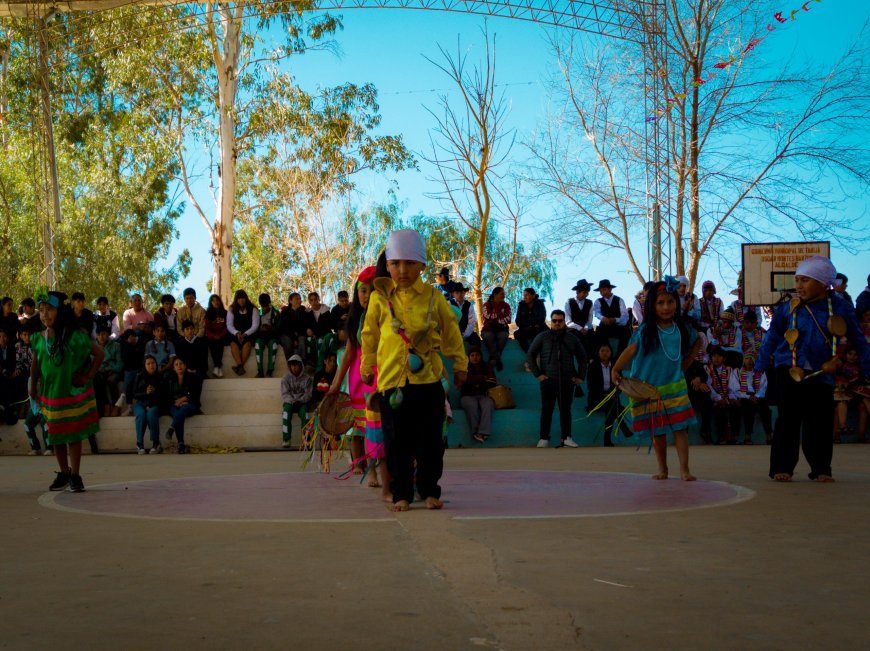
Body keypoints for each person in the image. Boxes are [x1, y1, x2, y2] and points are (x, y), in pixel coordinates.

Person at [360, 230, 468, 511]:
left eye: (409, 263)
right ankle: (401, 494)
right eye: (395, 264)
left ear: (421, 265)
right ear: (389, 265)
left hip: (428, 380)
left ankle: (430, 490)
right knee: (396, 443)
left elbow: (451, 332)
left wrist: (460, 365)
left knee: (431, 441)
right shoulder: (378, 298)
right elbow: (369, 334)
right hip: (391, 382)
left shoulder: (433, 297)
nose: (402, 270)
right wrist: (366, 365)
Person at [756, 256, 870, 482]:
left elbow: (857, 338)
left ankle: (821, 468)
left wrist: (867, 368)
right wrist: (760, 363)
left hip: (823, 371)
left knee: (819, 421)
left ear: (823, 283)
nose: (799, 286)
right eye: (797, 280)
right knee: (787, 419)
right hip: (788, 368)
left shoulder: (839, 306)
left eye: (806, 280)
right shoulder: (788, 307)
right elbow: (773, 336)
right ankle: (783, 467)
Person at [611, 277, 701, 481]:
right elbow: (631, 350)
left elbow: (698, 342)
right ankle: (663, 469)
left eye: (670, 302)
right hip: (649, 388)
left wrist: (684, 366)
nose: (666, 307)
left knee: (680, 429)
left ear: (676, 304)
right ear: (652, 306)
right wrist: (616, 368)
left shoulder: (682, 328)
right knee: (657, 431)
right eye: (660, 303)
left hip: (675, 386)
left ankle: (685, 470)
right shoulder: (645, 330)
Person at [30, 290, 103, 493]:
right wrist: (32, 384)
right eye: (41, 310)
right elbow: (35, 365)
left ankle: (76, 475)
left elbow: (99, 353)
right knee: (56, 436)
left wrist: (88, 376)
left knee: (73, 435)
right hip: (51, 395)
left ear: (60, 311)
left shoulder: (74, 336)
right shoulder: (38, 338)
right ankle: (64, 472)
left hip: (71, 394)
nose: (45, 315)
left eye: (50, 310)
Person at [329, 265, 389, 491]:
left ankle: (384, 469)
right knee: (364, 428)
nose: (367, 295)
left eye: (372, 290)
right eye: (363, 290)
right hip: (360, 379)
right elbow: (347, 357)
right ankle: (370, 469)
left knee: (381, 427)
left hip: (382, 375)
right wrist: (336, 385)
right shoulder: (354, 321)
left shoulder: (386, 314)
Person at [526, 309, 587, 448]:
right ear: (551, 321)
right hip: (548, 380)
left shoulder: (572, 338)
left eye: (560, 321)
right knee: (546, 409)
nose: (557, 323)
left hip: (567, 380)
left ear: (564, 322)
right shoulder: (542, 336)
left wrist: (580, 377)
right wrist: (538, 375)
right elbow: (530, 355)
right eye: (555, 321)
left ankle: (566, 437)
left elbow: (583, 358)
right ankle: (543, 438)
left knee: (566, 410)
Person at [586, 342, 633, 447]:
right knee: (613, 407)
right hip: (597, 399)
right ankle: (622, 427)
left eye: (607, 351)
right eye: (602, 351)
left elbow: (620, 383)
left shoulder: (615, 367)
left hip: (613, 397)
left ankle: (607, 439)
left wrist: (614, 393)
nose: (605, 353)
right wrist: (605, 395)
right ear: (598, 353)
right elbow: (591, 387)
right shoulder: (593, 366)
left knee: (611, 408)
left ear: (611, 352)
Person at [729, 354, 772, 445]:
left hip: (757, 396)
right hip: (744, 396)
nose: (750, 361)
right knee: (748, 408)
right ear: (743, 360)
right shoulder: (737, 372)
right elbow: (735, 388)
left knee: (766, 410)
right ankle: (748, 435)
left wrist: (757, 396)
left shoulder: (760, 371)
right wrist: (748, 397)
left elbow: (763, 387)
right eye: (747, 358)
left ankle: (769, 435)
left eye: (752, 359)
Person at [164, 357, 202, 454]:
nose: (179, 366)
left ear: (185, 366)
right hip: (174, 405)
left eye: (181, 363)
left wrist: (185, 399)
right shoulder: (170, 379)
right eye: (176, 364)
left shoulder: (193, 377)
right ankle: (181, 444)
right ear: (173, 368)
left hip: (190, 404)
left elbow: (195, 394)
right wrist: (175, 402)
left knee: (184, 408)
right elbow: (166, 395)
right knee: (178, 414)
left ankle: (171, 428)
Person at [460, 347, 497, 443]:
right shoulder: (464, 367)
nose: (475, 357)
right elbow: (464, 380)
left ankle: (483, 432)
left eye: (477, 355)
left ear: (480, 356)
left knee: (488, 404)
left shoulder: (486, 366)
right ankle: (475, 432)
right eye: (472, 355)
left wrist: (474, 380)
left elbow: (492, 382)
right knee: (471, 405)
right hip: (467, 396)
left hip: (483, 395)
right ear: (469, 357)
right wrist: (481, 378)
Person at [133, 354, 164, 454]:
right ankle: (139, 444)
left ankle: (156, 443)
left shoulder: (160, 376)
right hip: (141, 403)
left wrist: (155, 392)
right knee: (141, 415)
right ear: (144, 366)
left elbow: (165, 394)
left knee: (151, 415)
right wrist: (145, 393)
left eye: (153, 363)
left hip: (155, 403)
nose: (151, 366)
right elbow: (134, 394)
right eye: (148, 364)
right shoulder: (139, 376)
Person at [706, 346, 739, 444]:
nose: (716, 359)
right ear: (711, 358)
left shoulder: (729, 370)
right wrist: (718, 398)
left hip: (728, 397)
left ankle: (733, 436)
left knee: (735, 408)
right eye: (714, 356)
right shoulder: (707, 369)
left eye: (719, 356)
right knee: (720, 409)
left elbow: (733, 386)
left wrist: (732, 398)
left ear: (724, 358)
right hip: (714, 398)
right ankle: (721, 436)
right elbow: (709, 386)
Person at [280, 355, 312, 448]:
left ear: (301, 365)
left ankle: (306, 440)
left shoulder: (307, 379)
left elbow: (308, 394)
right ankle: (286, 439)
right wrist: (292, 401)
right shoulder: (285, 378)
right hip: (290, 402)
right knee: (286, 413)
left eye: (296, 365)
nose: (294, 368)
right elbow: (285, 393)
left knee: (305, 414)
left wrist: (300, 401)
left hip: (302, 403)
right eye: (292, 365)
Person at [226, 289, 260, 376]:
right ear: (236, 300)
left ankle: (239, 366)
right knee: (233, 343)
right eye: (239, 298)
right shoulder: (231, 309)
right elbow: (229, 324)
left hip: (249, 333)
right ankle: (240, 366)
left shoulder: (253, 309)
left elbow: (255, 325)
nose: (241, 300)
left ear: (246, 298)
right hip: (235, 333)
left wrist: (245, 334)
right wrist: (236, 333)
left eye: (243, 298)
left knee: (248, 343)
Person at [592, 279, 630, 355]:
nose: (602, 292)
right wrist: (603, 318)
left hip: (617, 327)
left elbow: (625, 317)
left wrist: (615, 320)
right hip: (604, 327)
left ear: (610, 289)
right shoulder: (598, 301)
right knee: (598, 334)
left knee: (626, 332)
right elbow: (596, 313)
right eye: (601, 290)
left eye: (604, 289)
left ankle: (620, 355)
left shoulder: (619, 300)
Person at [93, 326, 124, 417]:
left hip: (113, 371)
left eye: (103, 334)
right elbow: (93, 363)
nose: (101, 337)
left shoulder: (116, 345)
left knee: (111, 380)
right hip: (100, 371)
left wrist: (112, 369)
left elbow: (120, 363)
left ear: (108, 335)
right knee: (98, 380)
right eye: (99, 335)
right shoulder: (94, 346)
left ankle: (115, 406)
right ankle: (105, 405)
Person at [833, 346, 861, 442]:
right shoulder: (841, 364)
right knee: (837, 407)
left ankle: (840, 430)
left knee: (841, 403)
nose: (852, 357)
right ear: (845, 355)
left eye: (855, 355)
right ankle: (841, 429)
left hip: (851, 396)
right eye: (850, 354)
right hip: (836, 394)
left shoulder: (859, 367)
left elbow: (855, 383)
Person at [278, 292, 314, 364]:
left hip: (299, 333)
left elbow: (304, 325)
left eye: (300, 299)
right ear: (290, 301)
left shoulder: (303, 310)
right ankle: (291, 363)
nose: (299, 301)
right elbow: (284, 327)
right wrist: (294, 338)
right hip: (286, 334)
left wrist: (303, 332)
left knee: (302, 339)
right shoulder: (285, 311)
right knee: (288, 342)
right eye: (297, 299)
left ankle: (303, 362)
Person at [481, 287, 511, 371]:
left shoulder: (506, 306)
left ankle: (493, 359)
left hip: (501, 330)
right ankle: (498, 361)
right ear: (495, 294)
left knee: (504, 336)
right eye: (502, 294)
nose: (504, 296)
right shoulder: (487, 305)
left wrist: (495, 320)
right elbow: (487, 315)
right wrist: (500, 314)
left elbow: (508, 319)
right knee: (489, 337)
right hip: (487, 330)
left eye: (504, 294)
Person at [115, 329, 145, 416]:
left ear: (132, 336)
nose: (127, 340)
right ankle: (126, 401)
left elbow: (140, 358)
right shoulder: (126, 344)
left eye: (129, 338)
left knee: (131, 377)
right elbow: (125, 358)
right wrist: (128, 344)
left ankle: (124, 398)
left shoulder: (141, 343)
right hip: (130, 369)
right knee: (129, 375)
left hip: (140, 369)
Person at [564, 279, 595, 358]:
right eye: (584, 292)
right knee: (575, 337)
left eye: (587, 292)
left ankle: (591, 359)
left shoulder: (590, 303)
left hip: (586, 329)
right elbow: (568, 321)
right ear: (577, 291)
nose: (586, 294)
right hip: (572, 328)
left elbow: (590, 320)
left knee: (593, 337)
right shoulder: (569, 302)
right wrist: (580, 328)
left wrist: (586, 328)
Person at [204, 294, 230, 377]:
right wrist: (213, 335)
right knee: (212, 344)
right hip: (212, 336)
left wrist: (221, 335)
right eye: (213, 301)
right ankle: (218, 366)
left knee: (220, 344)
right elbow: (206, 328)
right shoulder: (208, 314)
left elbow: (227, 326)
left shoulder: (225, 313)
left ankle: (216, 367)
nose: (216, 302)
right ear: (210, 303)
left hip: (223, 335)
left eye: (217, 300)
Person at [514, 287, 547, 353]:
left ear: (533, 296)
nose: (525, 297)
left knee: (547, 334)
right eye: (524, 295)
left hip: (539, 328)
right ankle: (529, 353)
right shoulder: (521, 305)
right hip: (527, 329)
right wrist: (530, 325)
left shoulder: (540, 303)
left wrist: (532, 324)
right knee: (517, 334)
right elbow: (518, 321)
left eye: (527, 295)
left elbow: (542, 318)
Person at [254, 293, 280, 378]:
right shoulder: (258, 313)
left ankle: (270, 371)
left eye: (266, 305)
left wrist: (271, 328)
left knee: (273, 345)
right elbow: (254, 327)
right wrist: (260, 329)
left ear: (269, 303)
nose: (264, 308)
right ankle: (260, 371)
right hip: (261, 336)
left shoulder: (276, 313)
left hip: (272, 336)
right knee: (257, 344)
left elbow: (280, 328)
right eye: (262, 306)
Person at [450, 283, 480, 348]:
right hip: (451, 332)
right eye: (457, 292)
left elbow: (471, 323)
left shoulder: (469, 305)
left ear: (464, 293)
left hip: (465, 332)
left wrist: (464, 335)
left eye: (462, 292)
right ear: (453, 294)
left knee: (475, 338)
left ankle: (473, 357)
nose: (460, 294)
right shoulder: (448, 304)